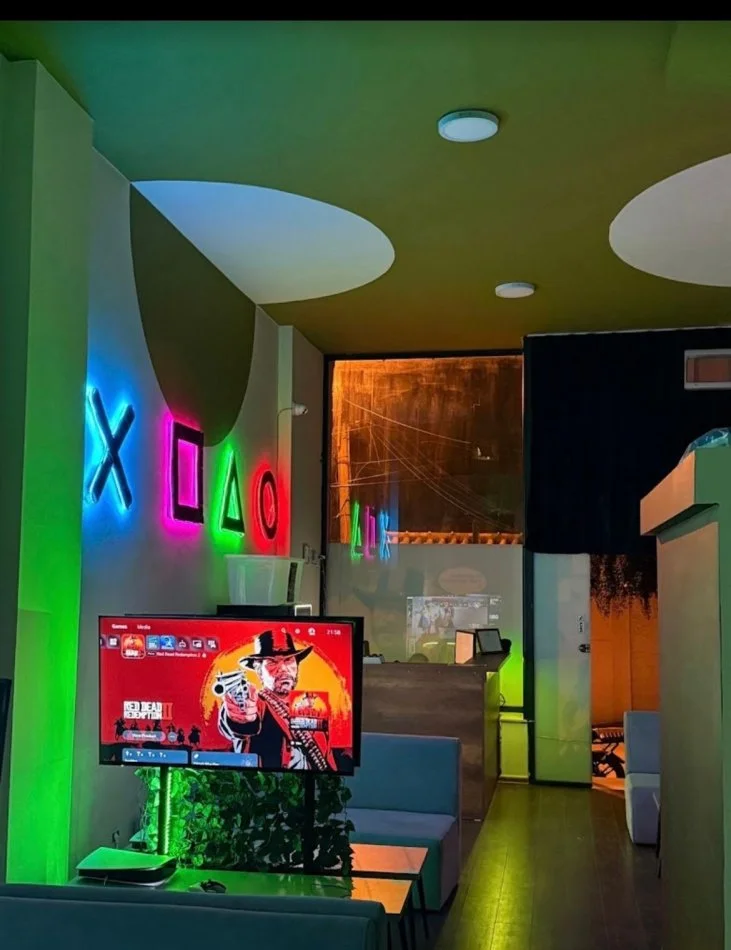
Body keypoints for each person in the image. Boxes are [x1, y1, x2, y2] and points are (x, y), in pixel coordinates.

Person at [217, 630, 335, 770]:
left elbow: (327, 760)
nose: (283, 668)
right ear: (259, 671)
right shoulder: (257, 703)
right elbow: (241, 720)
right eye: (272, 662)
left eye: (289, 660)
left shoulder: (312, 707)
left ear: (297, 666)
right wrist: (239, 716)